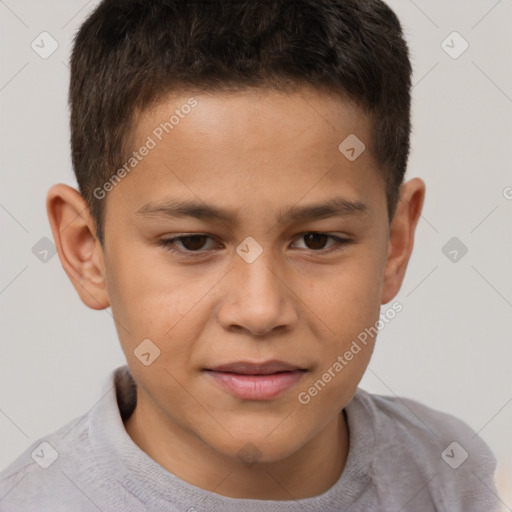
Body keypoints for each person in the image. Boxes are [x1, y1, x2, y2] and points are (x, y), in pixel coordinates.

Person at [0, 0, 500, 510]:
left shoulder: (451, 474)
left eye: (317, 240)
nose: (260, 311)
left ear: (394, 246)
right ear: (88, 251)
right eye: (192, 242)